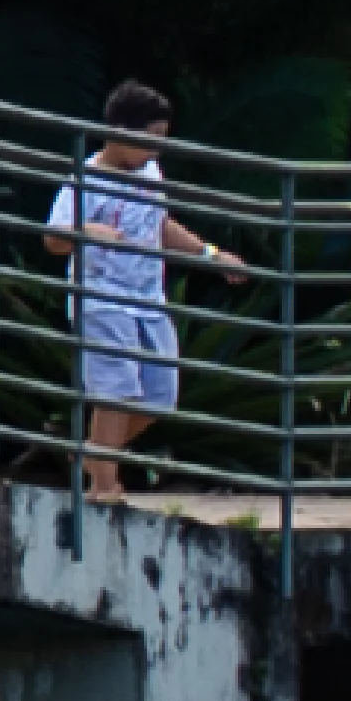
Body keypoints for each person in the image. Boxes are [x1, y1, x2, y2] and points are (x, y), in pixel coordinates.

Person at [34, 81, 230, 501]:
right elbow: (53, 238)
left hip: (147, 299)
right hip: (102, 298)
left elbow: (160, 225)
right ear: (120, 131)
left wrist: (210, 255)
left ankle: (93, 452)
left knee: (160, 395)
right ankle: (103, 484)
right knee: (116, 390)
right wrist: (89, 231)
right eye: (150, 140)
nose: (155, 151)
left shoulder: (149, 172)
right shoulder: (84, 180)